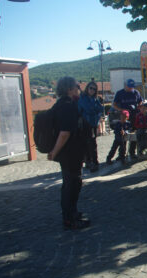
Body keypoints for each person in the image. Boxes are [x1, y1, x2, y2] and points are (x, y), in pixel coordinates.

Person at [48, 76, 90, 230]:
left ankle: (72, 213)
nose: (78, 89)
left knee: (72, 184)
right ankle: (70, 218)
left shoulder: (62, 104)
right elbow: (65, 133)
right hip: (70, 153)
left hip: (70, 153)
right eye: (76, 87)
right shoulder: (67, 106)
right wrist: (54, 151)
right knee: (71, 185)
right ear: (69, 89)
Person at [112, 79, 143, 159]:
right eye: (129, 87)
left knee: (133, 135)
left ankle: (132, 152)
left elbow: (140, 102)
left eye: (132, 87)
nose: (131, 89)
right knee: (123, 136)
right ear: (125, 85)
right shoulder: (120, 93)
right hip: (124, 117)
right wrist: (121, 110)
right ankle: (121, 154)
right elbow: (114, 105)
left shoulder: (136, 93)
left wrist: (139, 107)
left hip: (134, 117)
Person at [78, 81, 103, 173]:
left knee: (92, 143)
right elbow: (84, 110)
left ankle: (94, 162)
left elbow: (100, 109)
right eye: (91, 88)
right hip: (85, 123)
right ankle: (89, 161)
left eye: (94, 89)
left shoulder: (95, 99)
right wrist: (94, 112)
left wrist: (95, 114)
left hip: (93, 123)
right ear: (87, 88)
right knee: (86, 143)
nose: (92, 90)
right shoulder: (83, 98)